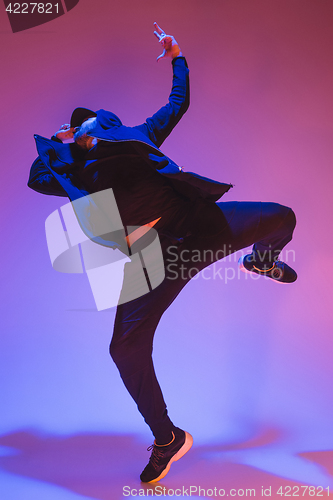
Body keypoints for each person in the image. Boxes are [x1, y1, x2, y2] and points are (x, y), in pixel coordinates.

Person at [28, 23, 297, 483]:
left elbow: (178, 104)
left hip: (201, 227)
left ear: (101, 123)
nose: (86, 128)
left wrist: (177, 56)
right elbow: (37, 177)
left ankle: (262, 260)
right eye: (79, 127)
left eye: (88, 122)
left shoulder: (140, 136)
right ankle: (168, 437)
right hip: (155, 259)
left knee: (281, 216)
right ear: (75, 135)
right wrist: (60, 144)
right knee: (124, 347)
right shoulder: (75, 170)